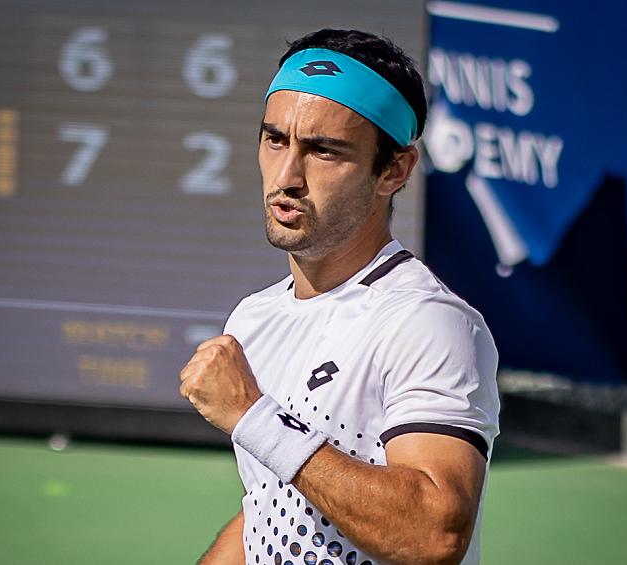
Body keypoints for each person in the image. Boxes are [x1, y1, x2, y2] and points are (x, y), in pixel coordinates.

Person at [179, 28, 500, 565]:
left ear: (394, 170)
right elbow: (274, 506)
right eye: (275, 139)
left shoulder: (430, 323)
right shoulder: (254, 318)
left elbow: (433, 535)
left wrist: (253, 416)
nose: (286, 176)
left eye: (324, 151)